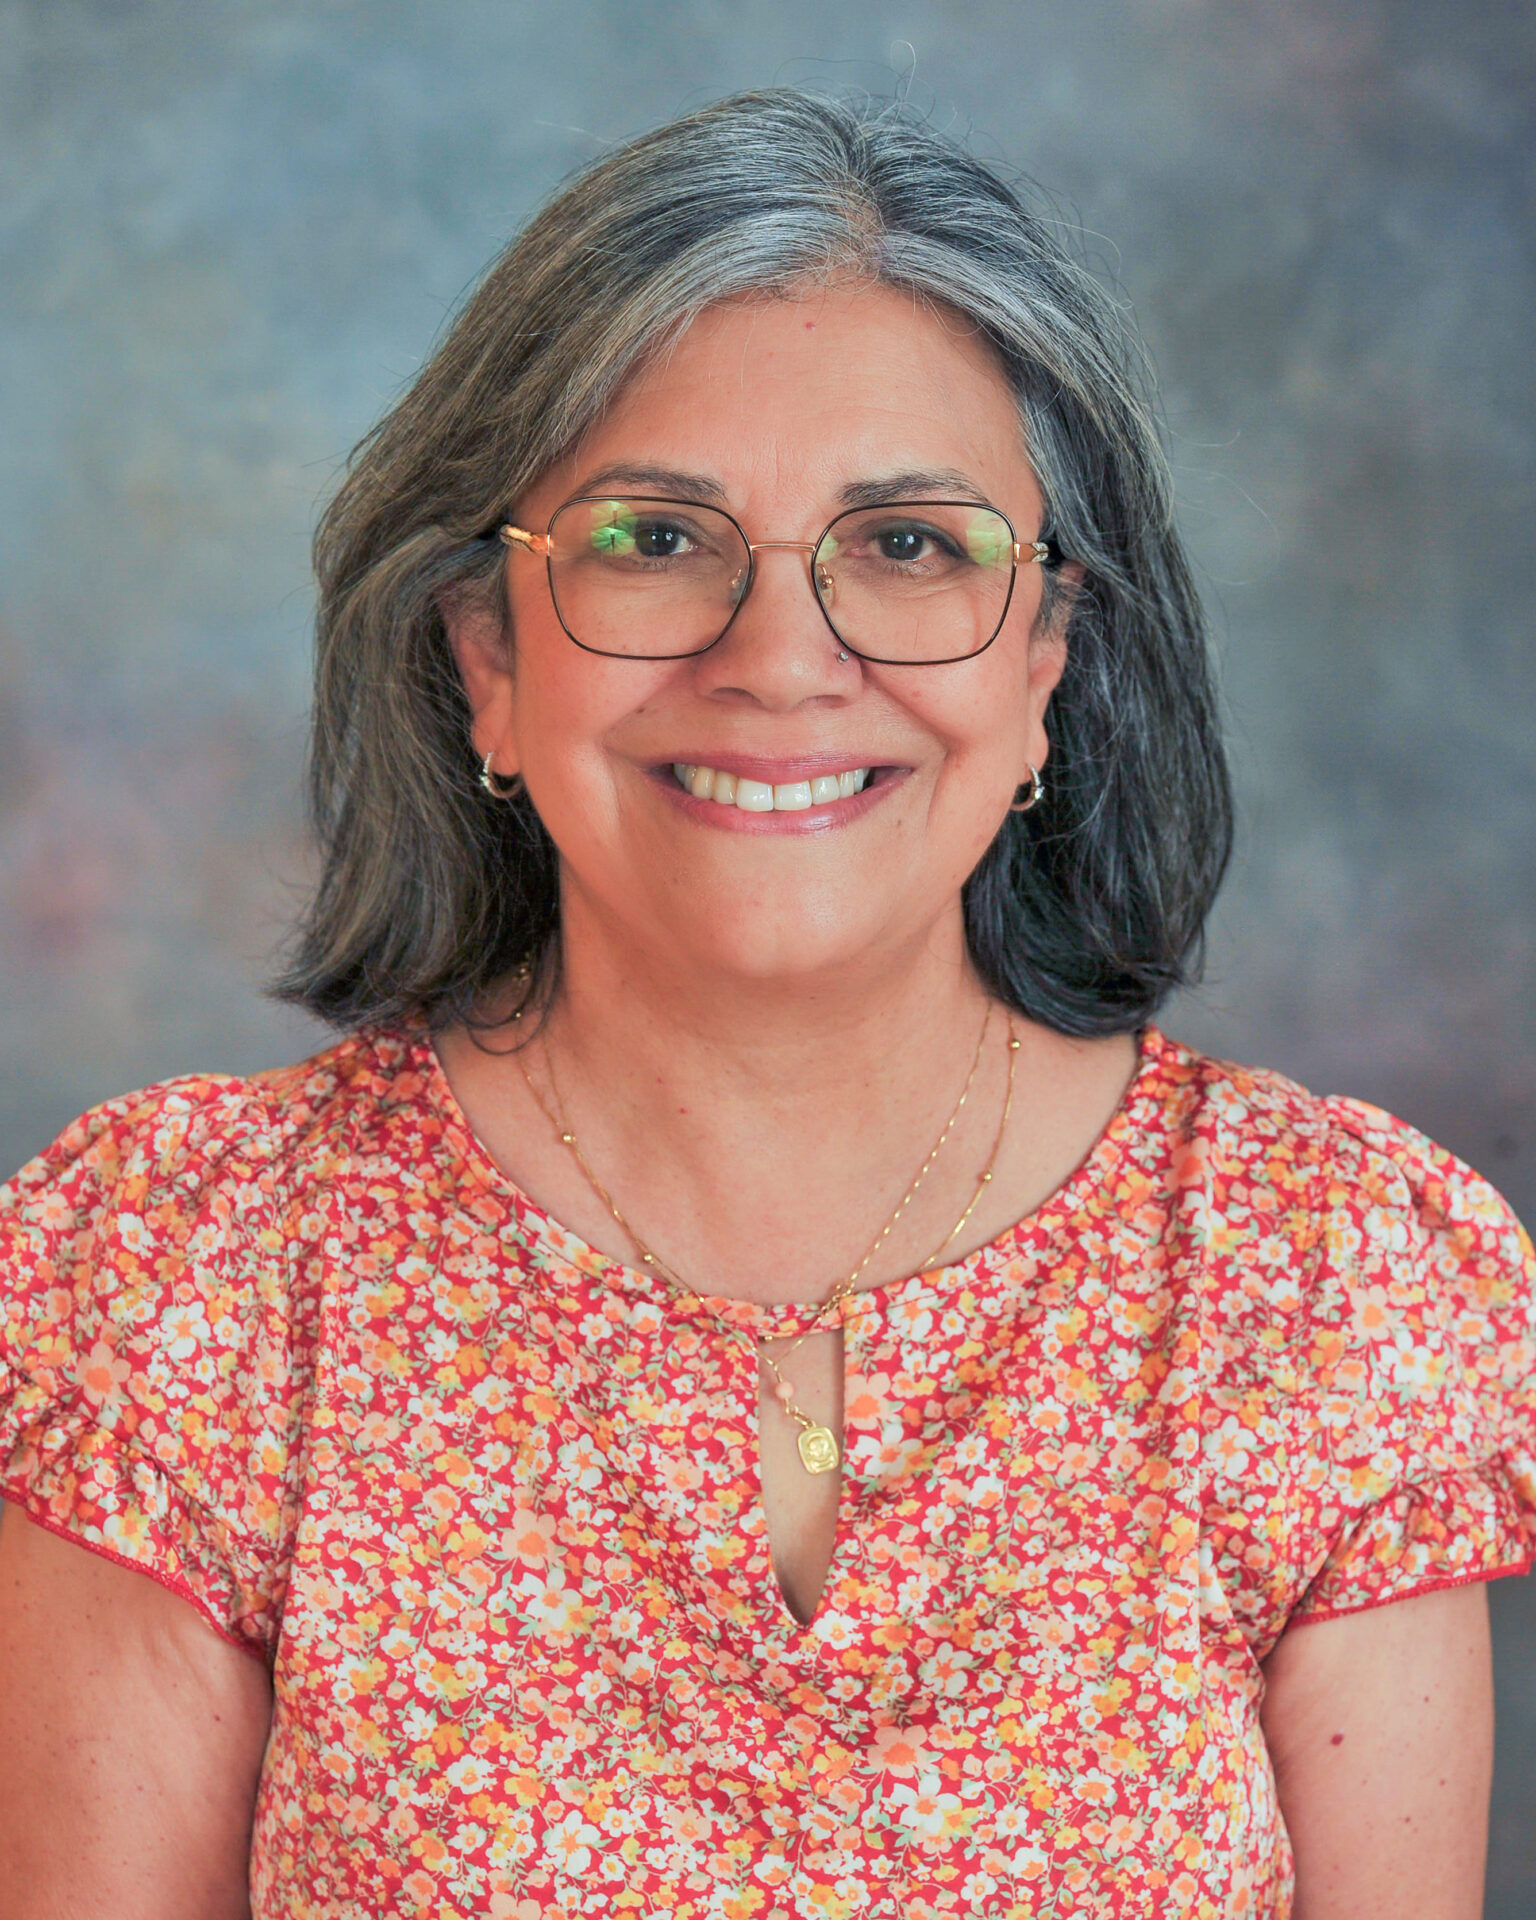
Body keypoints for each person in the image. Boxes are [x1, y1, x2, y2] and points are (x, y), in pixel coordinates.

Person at [1, 87, 1531, 1920]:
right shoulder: (187, 1279)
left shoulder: (1322, 1275)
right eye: (655, 540)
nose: (784, 659)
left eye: (911, 545)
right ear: (488, 662)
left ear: (1046, 672)